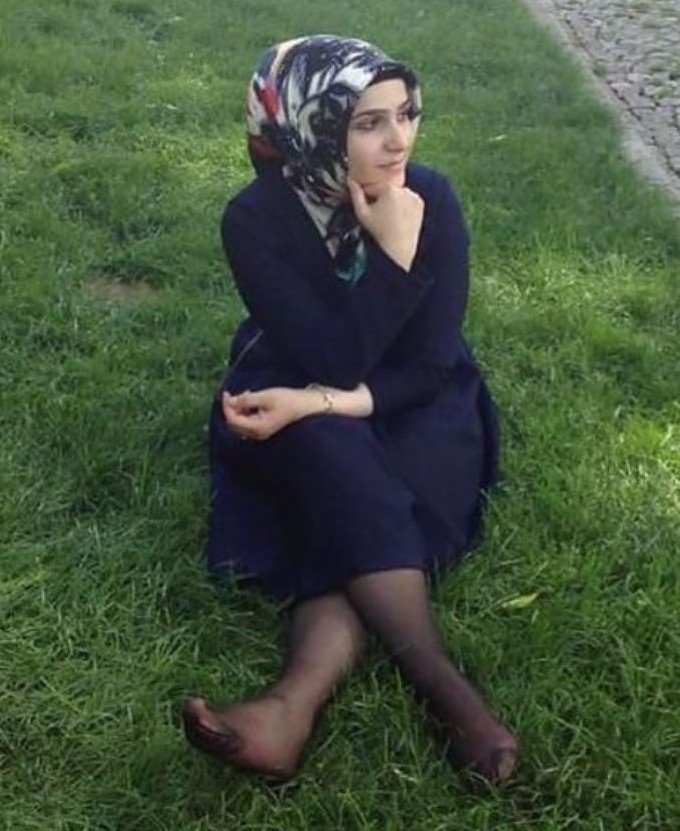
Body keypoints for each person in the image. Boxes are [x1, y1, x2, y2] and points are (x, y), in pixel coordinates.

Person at [182, 34, 518, 787]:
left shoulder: (430, 197)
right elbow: (329, 357)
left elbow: (428, 363)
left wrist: (323, 399)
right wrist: (391, 262)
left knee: (343, 489)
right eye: (369, 123)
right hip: (294, 379)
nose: (399, 139)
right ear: (311, 127)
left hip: (416, 396)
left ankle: (289, 707)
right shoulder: (255, 219)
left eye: (406, 114)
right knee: (331, 456)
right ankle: (452, 699)